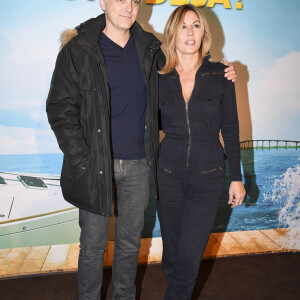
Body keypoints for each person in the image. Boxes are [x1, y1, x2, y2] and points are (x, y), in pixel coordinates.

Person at [46, 1, 236, 299]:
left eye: (134, 0)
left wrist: (222, 70)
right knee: (93, 247)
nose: (128, 6)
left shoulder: (150, 49)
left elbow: (186, 61)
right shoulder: (78, 49)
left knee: (129, 246)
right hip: (95, 165)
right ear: (103, 2)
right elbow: (60, 108)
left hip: (138, 165)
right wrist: (82, 158)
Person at [157, 4, 246, 300]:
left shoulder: (221, 73)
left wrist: (236, 177)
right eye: (183, 26)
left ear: (203, 32)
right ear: (172, 33)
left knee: (189, 257)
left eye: (196, 25)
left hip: (208, 178)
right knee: (172, 255)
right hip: (167, 176)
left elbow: (231, 129)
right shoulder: (158, 76)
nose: (190, 32)